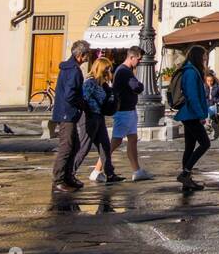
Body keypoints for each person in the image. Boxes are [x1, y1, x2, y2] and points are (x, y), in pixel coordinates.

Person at [93, 46, 151, 182]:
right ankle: (96, 170)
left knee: (132, 139)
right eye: (138, 59)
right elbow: (137, 87)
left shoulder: (124, 70)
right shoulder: (125, 71)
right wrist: (139, 85)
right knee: (116, 141)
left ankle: (137, 171)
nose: (139, 62)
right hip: (124, 111)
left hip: (128, 110)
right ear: (131, 57)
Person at [51, 40, 92, 193]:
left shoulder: (69, 68)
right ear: (81, 55)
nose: (88, 57)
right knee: (66, 146)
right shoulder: (74, 70)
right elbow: (70, 94)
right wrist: (82, 105)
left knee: (74, 145)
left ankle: (68, 177)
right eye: (87, 55)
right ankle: (59, 180)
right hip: (67, 113)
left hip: (66, 112)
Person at [173, 45, 212, 191]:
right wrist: (201, 114)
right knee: (205, 143)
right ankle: (185, 173)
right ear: (197, 57)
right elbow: (192, 96)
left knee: (189, 147)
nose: (205, 61)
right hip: (190, 114)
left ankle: (186, 181)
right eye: (204, 58)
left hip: (190, 113)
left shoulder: (192, 71)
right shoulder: (190, 72)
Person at [83, 58, 122, 183]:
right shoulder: (90, 82)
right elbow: (84, 99)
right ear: (101, 68)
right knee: (84, 147)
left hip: (99, 116)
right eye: (107, 68)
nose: (109, 71)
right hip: (90, 117)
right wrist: (90, 113)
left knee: (105, 146)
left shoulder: (102, 84)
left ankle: (110, 174)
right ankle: (68, 174)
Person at [204, 71, 219, 141]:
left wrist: (215, 99)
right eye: (208, 81)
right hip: (206, 105)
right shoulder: (204, 86)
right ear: (206, 80)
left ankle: (207, 125)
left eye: (211, 81)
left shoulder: (218, 86)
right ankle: (208, 126)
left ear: (213, 80)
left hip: (216, 105)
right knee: (207, 110)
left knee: (209, 110)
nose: (210, 82)